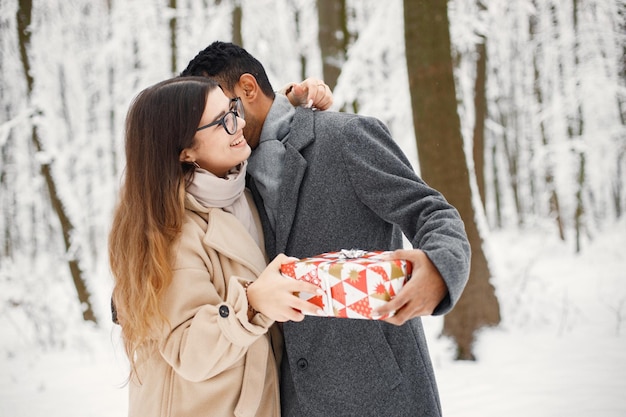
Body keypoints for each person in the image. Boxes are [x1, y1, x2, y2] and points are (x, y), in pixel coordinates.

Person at [181, 41, 471, 417]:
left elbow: (431, 211)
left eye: (222, 110)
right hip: (294, 402)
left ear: (248, 89)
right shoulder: (230, 180)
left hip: (383, 396)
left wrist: (440, 268)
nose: (221, 125)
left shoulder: (345, 138)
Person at [108, 75, 334, 417]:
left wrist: (292, 108)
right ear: (184, 151)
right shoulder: (171, 234)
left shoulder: (236, 192)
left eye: (234, 108)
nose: (239, 123)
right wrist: (253, 302)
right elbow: (189, 349)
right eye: (223, 121)